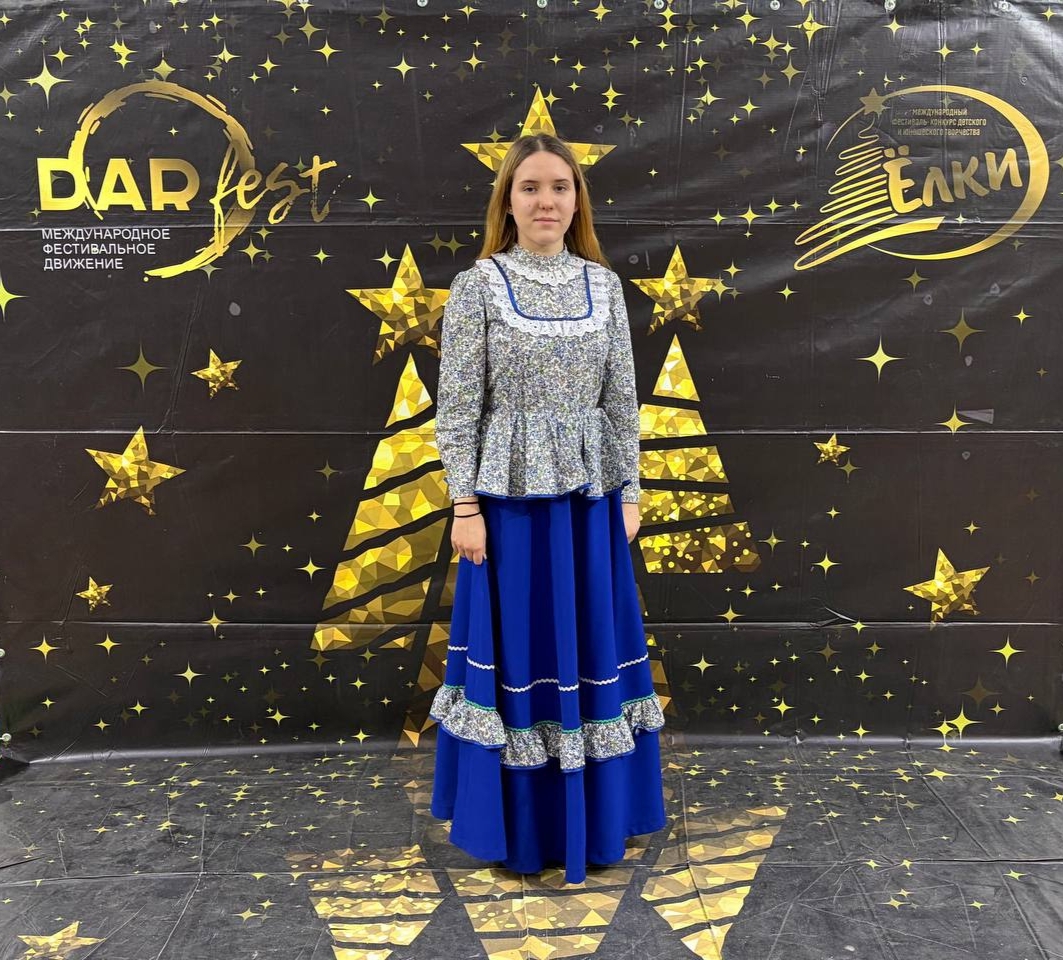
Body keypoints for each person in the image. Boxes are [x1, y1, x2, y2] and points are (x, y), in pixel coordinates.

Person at [428, 133, 666, 885]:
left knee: (590, 646)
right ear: (507, 201)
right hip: (508, 513)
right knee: (522, 653)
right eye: (529, 187)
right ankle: (523, 832)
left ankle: (597, 822)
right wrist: (464, 504)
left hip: (590, 508)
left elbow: (621, 403)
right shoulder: (478, 286)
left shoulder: (604, 287)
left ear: (576, 200)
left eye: (559, 187)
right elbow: (457, 409)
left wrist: (630, 492)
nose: (545, 201)